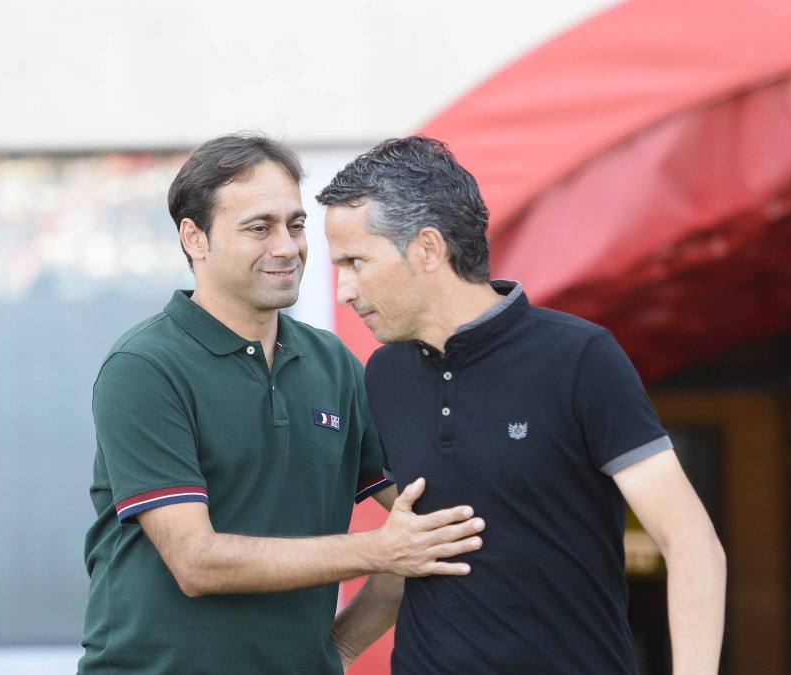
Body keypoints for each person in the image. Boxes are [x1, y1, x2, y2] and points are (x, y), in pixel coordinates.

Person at [77, 133, 486, 675]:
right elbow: (196, 562)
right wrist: (380, 551)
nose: (287, 247)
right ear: (194, 238)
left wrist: (333, 652)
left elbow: (426, 522)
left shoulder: (334, 365)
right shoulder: (145, 366)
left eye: (295, 225)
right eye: (259, 227)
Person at [319, 136, 726, 674]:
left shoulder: (580, 357)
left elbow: (691, 542)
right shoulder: (385, 375)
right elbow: (414, 551)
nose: (344, 289)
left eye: (356, 262)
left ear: (427, 249)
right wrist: (334, 653)